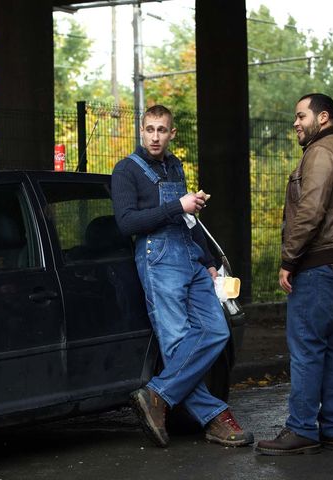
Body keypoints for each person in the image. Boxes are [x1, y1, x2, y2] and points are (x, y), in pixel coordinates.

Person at [111, 104, 253, 448]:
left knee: (217, 332)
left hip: (189, 255)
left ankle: (157, 394)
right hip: (158, 258)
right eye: (150, 130)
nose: (155, 136)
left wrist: (206, 259)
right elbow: (127, 223)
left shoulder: (175, 166)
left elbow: (190, 221)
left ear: (172, 134)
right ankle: (215, 418)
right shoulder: (126, 170)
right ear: (141, 131)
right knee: (176, 342)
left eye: (162, 130)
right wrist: (179, 205)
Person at [255, 93, 333, 456]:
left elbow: (311, 210)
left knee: (306, 347)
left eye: (300, 116)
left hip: (323, 264)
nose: (295, 123)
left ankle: (302, 428)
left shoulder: (321, 153)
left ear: (323, 118)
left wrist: (289, 259)